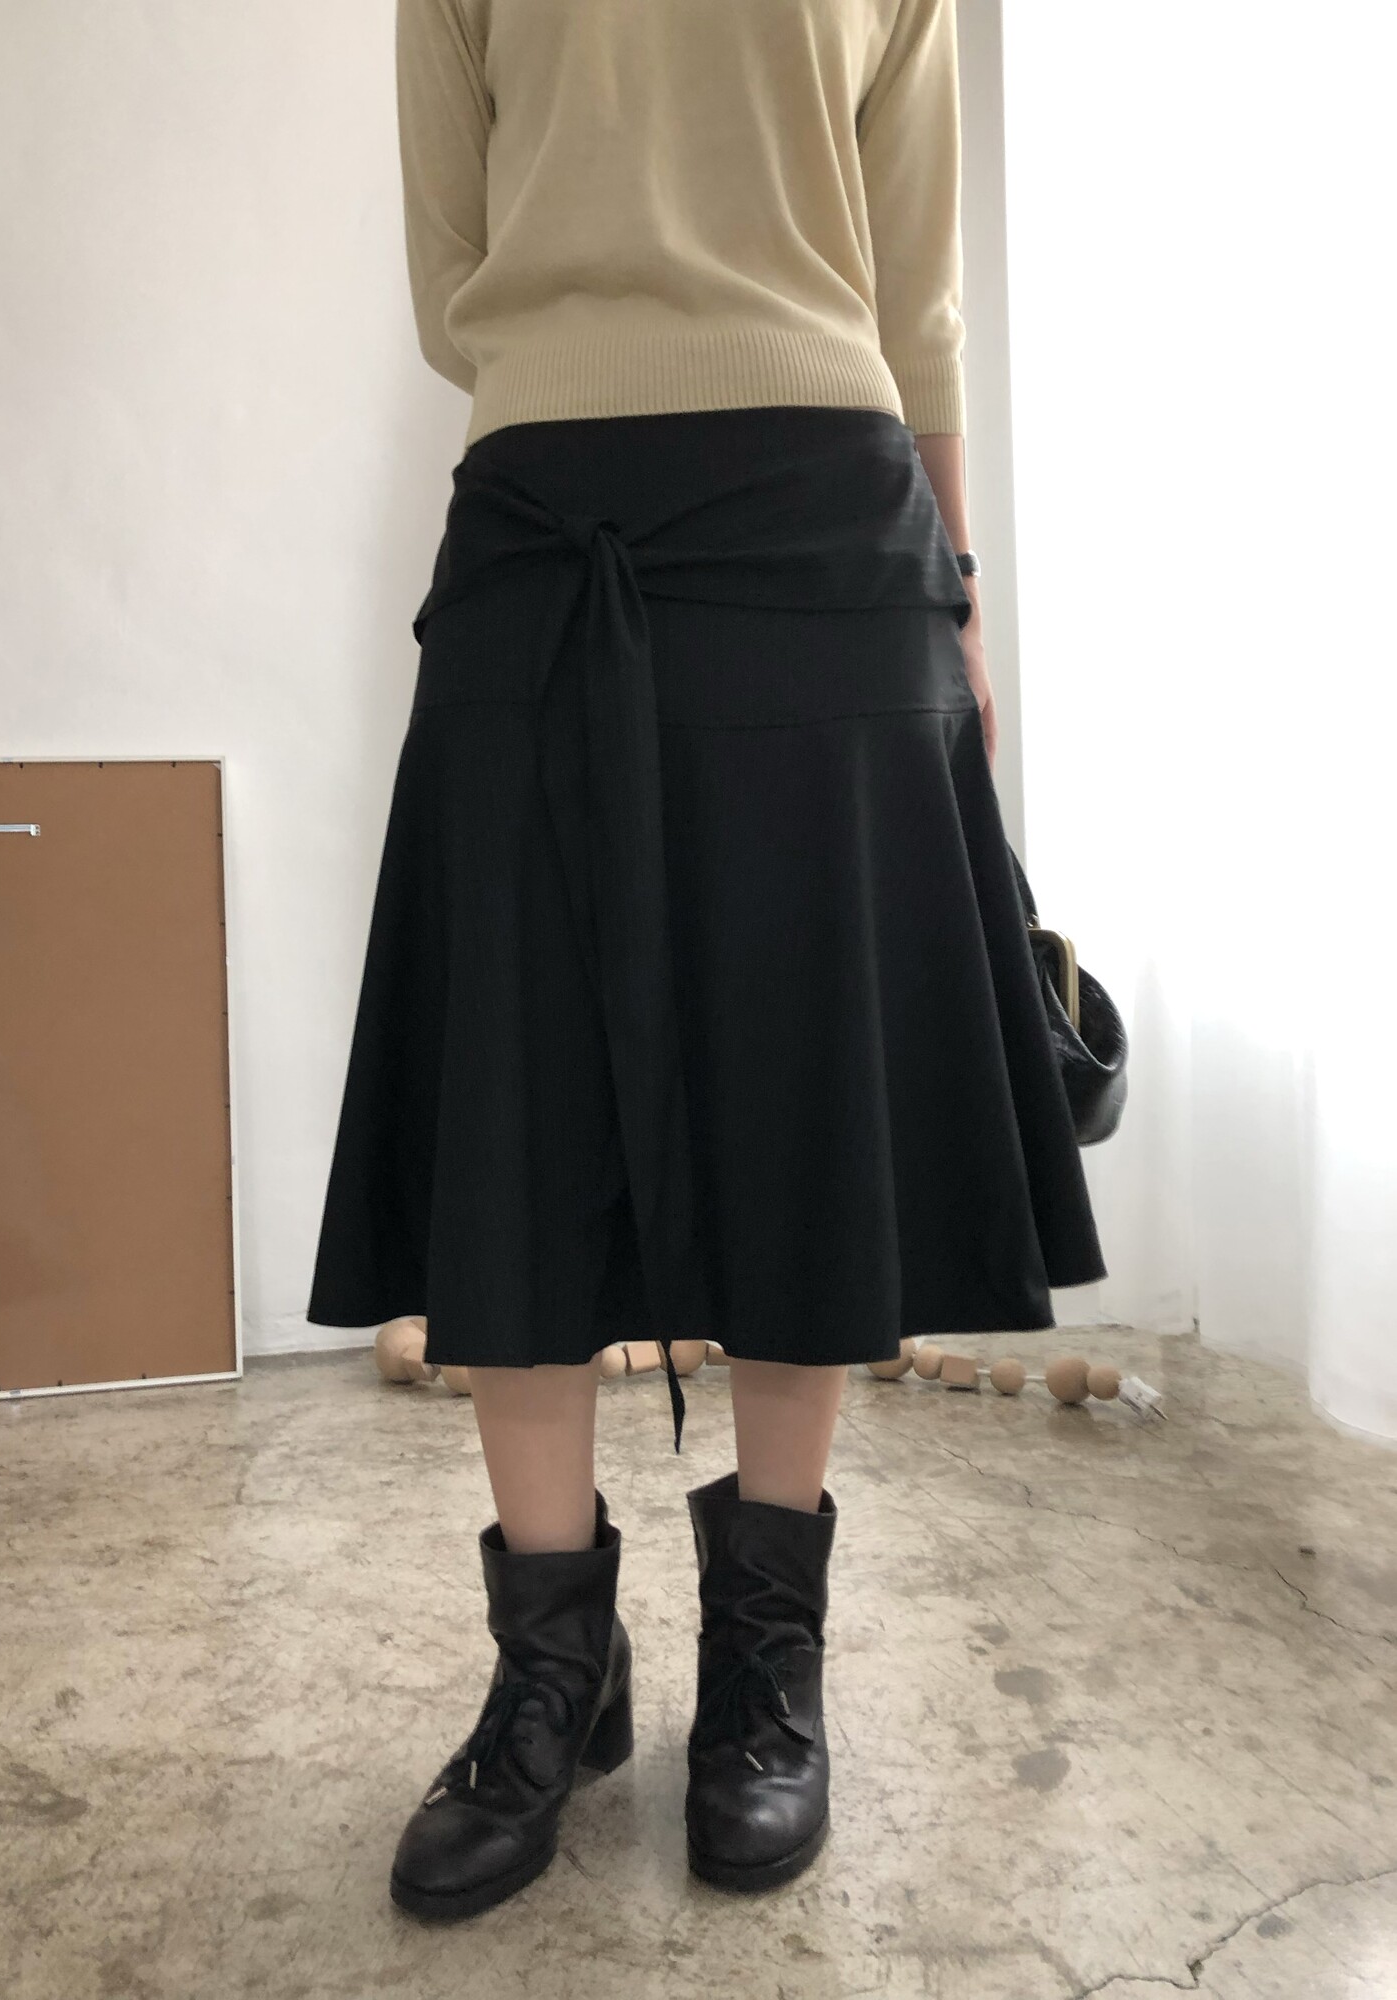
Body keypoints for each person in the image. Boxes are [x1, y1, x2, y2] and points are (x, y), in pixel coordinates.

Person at [306, 0, 1107, 1921]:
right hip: (544, 514)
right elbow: (457, 277)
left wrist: (959, 589)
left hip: (827, 526)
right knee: (516, 1089)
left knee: (802, 1092)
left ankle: (765, 1665)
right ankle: (552, 1668)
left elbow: (916, 290)